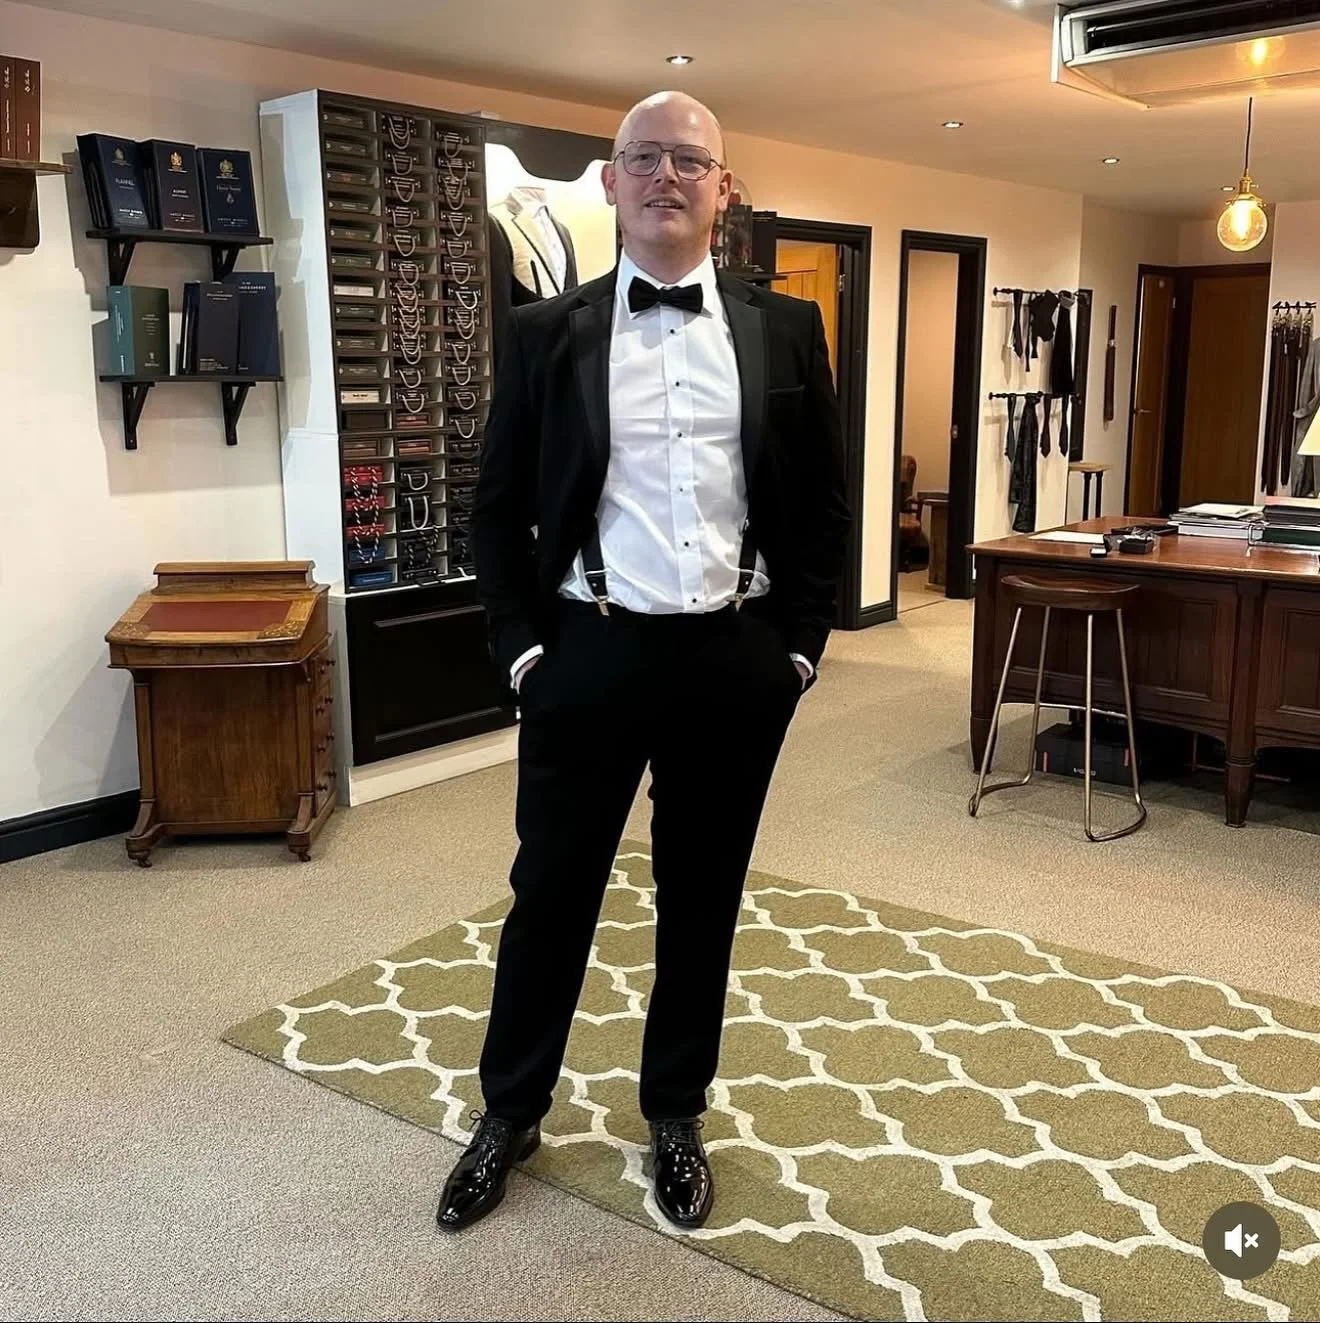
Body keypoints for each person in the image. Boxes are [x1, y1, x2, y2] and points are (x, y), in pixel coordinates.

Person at [437, 90, 849, 1232]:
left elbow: (821, 502)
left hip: (733, 659)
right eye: (643, 159)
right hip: (587, 654)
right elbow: (497, 513)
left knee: (701, 898)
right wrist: (524, 652)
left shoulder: (786, 329)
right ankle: (511, 1110)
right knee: (549, 894)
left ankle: (674, 1109)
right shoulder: (543, 335)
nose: (666, 176)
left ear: (723, 188)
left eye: (690, 160)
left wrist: (799, 650)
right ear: (611, 183)